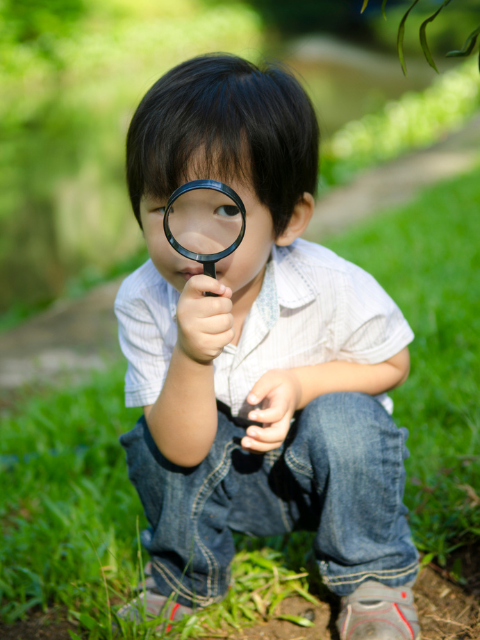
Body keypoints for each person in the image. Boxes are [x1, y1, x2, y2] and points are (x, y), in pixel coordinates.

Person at [114, 53, 421, 640]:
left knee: (348, 415)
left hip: (325, 482)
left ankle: (373, 578)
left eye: (226, 211)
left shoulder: (334, 284)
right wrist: (190, 357)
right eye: (168, 210)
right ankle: (185, 575)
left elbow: (392, 363)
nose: (192, 244)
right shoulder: (143, 299)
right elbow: (180, 452)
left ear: (289, 220)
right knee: (154, 434)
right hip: (221, 484)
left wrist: (305, 385)